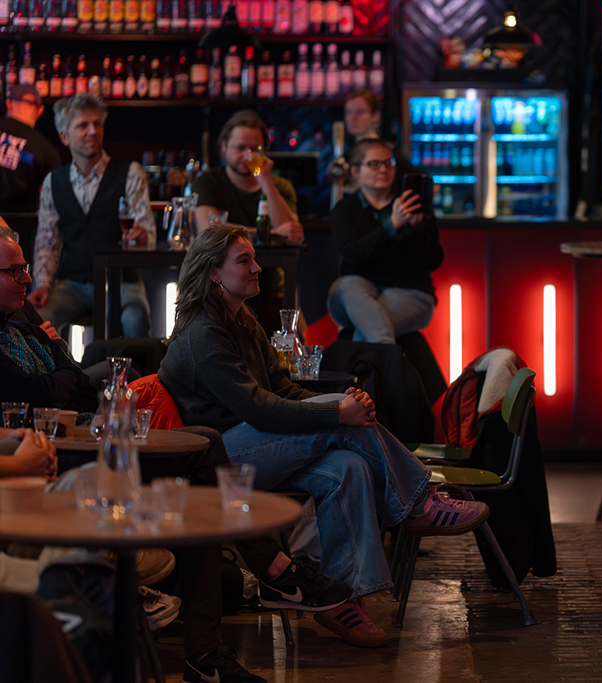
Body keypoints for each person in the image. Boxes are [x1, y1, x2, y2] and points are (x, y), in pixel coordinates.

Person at [0, 225, 351, 682]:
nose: (27, 279)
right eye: (14, 271)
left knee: (204, 444)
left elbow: (80, 384)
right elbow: (29, 386)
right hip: (52, 458)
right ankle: (258, 592)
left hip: (85, 444)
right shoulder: (203, 332)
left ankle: (228, 629)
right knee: (208, 449)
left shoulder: (26, 329)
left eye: (26, 268)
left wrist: (55, 383)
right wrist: (54, 385)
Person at [159, 225, 488, 645]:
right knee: (340, 428)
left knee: (348, 465)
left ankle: (340, 599)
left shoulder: (244, 321)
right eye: (244, 261)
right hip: (220, 463)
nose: (258, 267)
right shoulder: (204, 335)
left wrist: (339, 404)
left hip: (257, 446)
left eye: (254, 258)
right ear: (214, 275)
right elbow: (257, 407)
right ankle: (417, 501)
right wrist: (337, 414)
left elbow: (284, 391)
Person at [28, 94, 155, 339]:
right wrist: (42, 284)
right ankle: (59, 378)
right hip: (71, 284)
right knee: (37, 323)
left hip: (121, 283)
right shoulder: (54, 181)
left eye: (97, 124)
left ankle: (137, 378)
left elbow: (147, 230)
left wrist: (141, 236)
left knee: (135, 318)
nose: (92, 131)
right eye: (82, 125)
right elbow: (48, 241)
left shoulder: (130, 173)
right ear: (64, 136)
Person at [327, 138, 443, 344]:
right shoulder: (344, 209)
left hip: (409, 293)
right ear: (355, 172)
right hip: (358, 294)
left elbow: (433, 261)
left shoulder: (412, 203)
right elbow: (354, 255)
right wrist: (391, 226)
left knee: (367, 332)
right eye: (374, 164)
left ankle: (382, 367)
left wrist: (417, 228)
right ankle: (389, 368)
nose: (384, 170)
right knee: (346, 285)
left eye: (389, 163)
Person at [192, 109, 303, 243]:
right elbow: (208, 231)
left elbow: (292, 235)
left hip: (271, 263)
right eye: (240, 148)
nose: (248, 156)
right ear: (223, 147)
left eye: (255, 149)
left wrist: (265, 180)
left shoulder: (281, 186)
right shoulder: (208, 181)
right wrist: (270, 233)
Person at [0, 84, 62, 214]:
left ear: (9, 104)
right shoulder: (48, 151)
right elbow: (48, 201)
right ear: (40, 111)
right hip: (18, 224)